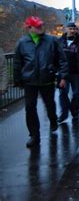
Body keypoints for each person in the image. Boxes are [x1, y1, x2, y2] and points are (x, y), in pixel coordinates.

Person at [13, 16, 68, 148]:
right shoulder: (22, 42)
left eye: (41, 25)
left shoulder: (51, 41)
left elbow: (62, 59)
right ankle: (34, 135)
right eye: (37, 26)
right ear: (29, 28)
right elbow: (17, 63)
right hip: (30, 81)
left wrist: (62, 76)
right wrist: (18, 80)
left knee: (49, 104)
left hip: (47, 79)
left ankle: (53, 119)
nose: (40, 28)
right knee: (30, 108)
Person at [57, 22, 79, 123]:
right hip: (63, 73)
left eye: (74, 29)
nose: (72, 31)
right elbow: (54, 56)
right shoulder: (59, 41)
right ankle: (64, 112)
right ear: (66, 29)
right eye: (70, 28)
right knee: (63, 93)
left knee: (76, 94)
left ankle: (75, 111)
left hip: (76, 72)